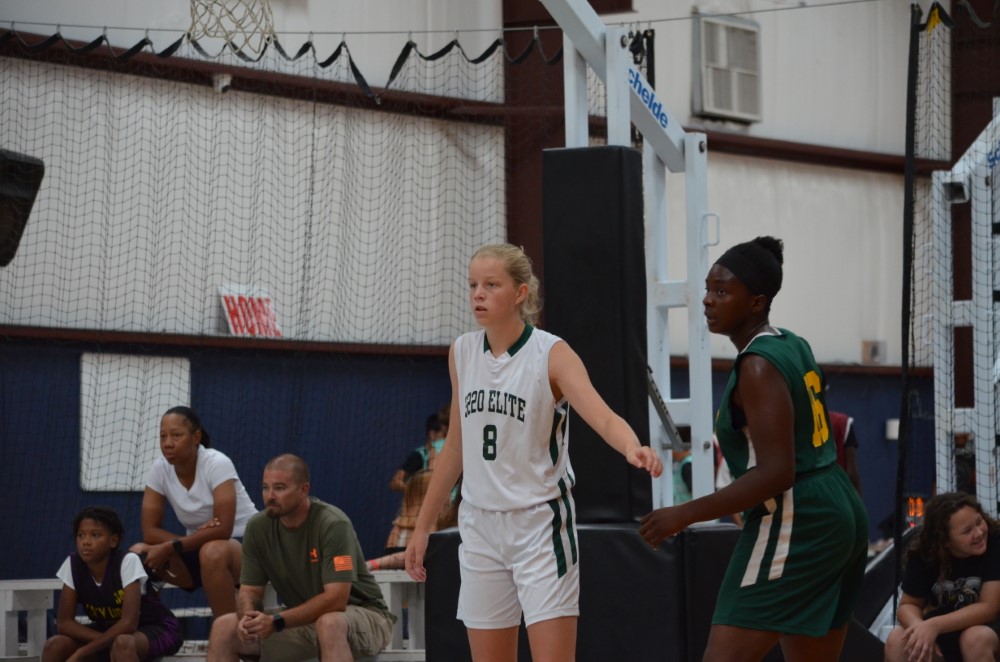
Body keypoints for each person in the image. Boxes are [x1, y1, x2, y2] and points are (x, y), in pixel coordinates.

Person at [404, 243, 663, 662]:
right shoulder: (462, 352)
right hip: (480, 525)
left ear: (520, 293)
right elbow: (455, 446)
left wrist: (633, 446)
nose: (478, 294)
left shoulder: (551, 354)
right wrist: (423, 526)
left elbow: (603, 417)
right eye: (473, 285)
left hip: (539, 525)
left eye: (491, 285)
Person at [639, 236, 869, 662]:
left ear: (757, 302)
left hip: (796, 514)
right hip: (838, 506)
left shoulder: (758, 364)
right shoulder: (792, 342)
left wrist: (683, 514)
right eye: (708, 289)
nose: (707, 300)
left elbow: (777, 473)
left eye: (722, 291)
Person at [206, 453, 394, 662]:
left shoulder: (333, 524)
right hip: (303, 621)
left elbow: (337, 600)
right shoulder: (258, 527)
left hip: (365, 616)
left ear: (304, 490)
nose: (270, 496)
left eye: (279, 488)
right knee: (224, 627)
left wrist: (277, 621)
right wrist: (249, 617)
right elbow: (250, 591)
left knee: (329, 623)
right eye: (265, 487)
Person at [129, 405, 258, 617]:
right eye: (163, 436)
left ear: (196, 437)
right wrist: (196, 539)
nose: (168, 443)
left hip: (247, 547)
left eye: (176, 435)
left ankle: (226, 631)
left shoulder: (217, 463)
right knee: (138, 553)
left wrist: (178, 544)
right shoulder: (159, 468)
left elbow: (224, 529)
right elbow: (150, 532)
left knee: (212, 550)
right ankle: (155, 628)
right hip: (198, 548)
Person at [43, 506, 182, 662]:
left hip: (155, 629)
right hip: (109, 633)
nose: (86, 542)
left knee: (122, 643)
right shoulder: (73, 564)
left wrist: (82, 652)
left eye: (95, 535)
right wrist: (103, 642)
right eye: (81, 535)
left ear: (113, 541)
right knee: (55, 645)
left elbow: (129, 624)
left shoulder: (128, 561)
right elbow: (64, 623)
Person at [884, 492, 1000, 662]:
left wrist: (934, 625)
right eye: (967, 531)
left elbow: (990, 608)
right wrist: (919, 629)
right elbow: (908, 605)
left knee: (974, 639)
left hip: (987, 629)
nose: (979, 533)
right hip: (943, 631)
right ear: (945, 541)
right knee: (897, 640)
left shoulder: (995, 542)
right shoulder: (924, 554)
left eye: (979, 521)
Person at [368, 469, 459, 571]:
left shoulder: (444, 524)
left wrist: (374, 563)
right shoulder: (399, 527)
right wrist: (374, 563)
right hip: (401, 577)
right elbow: (414, 554)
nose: (449, 495)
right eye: (444, 491)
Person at [389, 412, 447, 492]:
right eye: (445, 435)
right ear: (432, 434)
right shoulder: (419, 456)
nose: (447, 439)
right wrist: (416, 492)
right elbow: (395, 482)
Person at [828, 410, 863, 494]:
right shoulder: (841, 422)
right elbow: (852, 472)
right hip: (837, 491)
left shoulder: (801, 423)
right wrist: (858, 499)